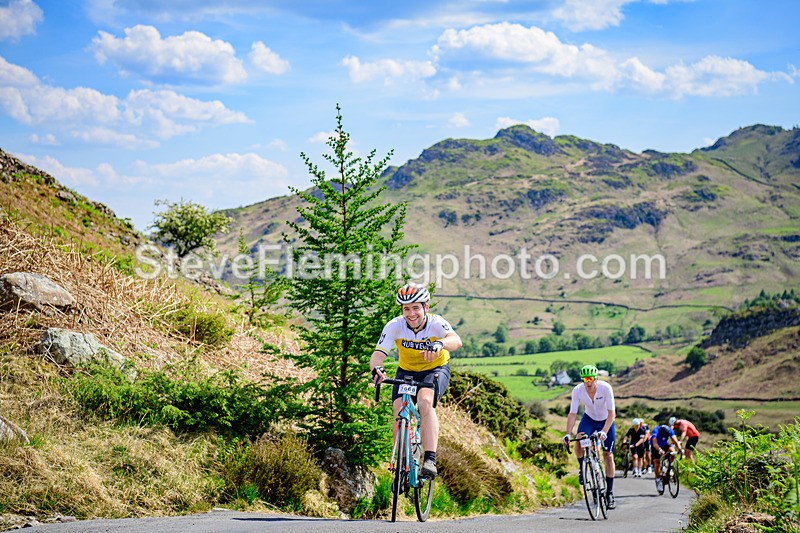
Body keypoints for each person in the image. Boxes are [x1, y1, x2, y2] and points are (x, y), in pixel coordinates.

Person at [370, 283, 462, 479]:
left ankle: (430, 459)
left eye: (415, 308)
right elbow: (378, 354)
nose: (411, 314)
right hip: (407, 371)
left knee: (425, 402)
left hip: (435, 370)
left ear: (425, 307)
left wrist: (439, 343)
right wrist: (377, 369)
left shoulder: (436, 323)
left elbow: (456, 340)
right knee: (399, 409)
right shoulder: (395, 325)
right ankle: (402, 463)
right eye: (406, 309)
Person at [563, 365, 618, 510]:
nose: (588, 382)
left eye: (590, 379)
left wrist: (605, 431)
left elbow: (612, 413)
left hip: (606, 421)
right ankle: (583, 467)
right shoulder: (578, 390)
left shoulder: (606, 388)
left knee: (608, 455)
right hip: (589, 419)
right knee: (579, 441)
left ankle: (610, 493)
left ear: (596, 379)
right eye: (585, 379)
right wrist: (568, 433)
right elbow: (573, 413)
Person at [649, 424, 682, 494]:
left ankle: (669, 467)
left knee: (673, 452)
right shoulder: (656, 431)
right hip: (656, 446)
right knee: (657, 463)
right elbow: (655, 444)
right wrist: (660, 450)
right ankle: (658, 480)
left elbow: (675, 441)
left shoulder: (670, 431)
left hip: (665, 445)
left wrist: (680, 449)